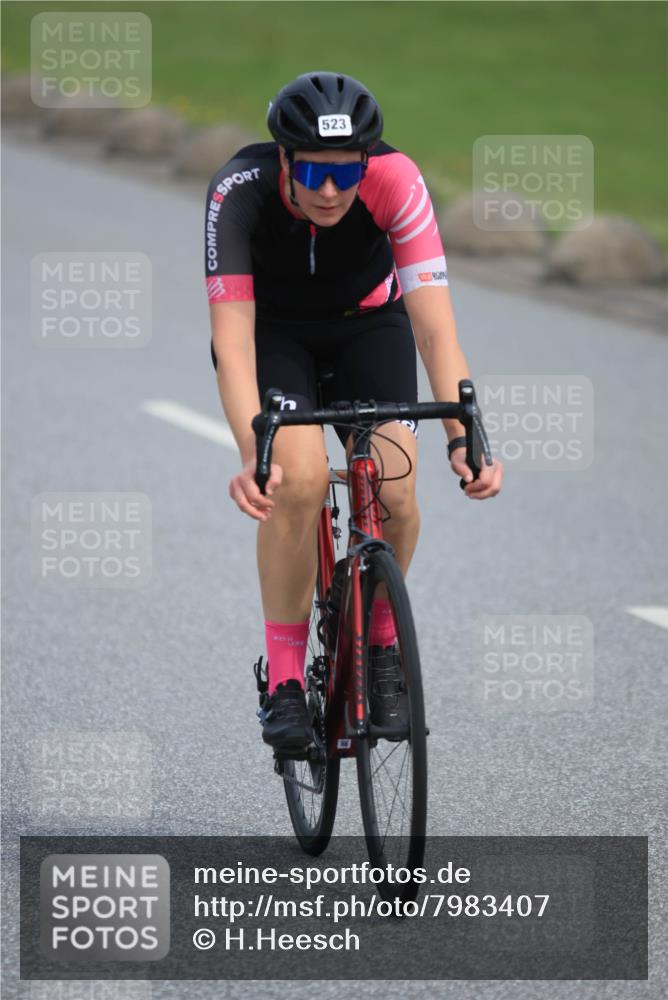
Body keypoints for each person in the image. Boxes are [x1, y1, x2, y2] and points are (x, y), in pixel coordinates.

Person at [205, 71, 503, 749]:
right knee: (299, 479)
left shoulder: (397, 179)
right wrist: (254, 452)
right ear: (285, 158)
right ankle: (284, 682)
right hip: (274, 336)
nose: (331, 191)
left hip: (369, 326)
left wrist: (465, 435)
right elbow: (233, 343)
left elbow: (435, 330)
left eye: (347, 173)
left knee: (395, 486)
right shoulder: (238, 191)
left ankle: (380, 643)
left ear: (367, 163)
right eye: (313, 172)